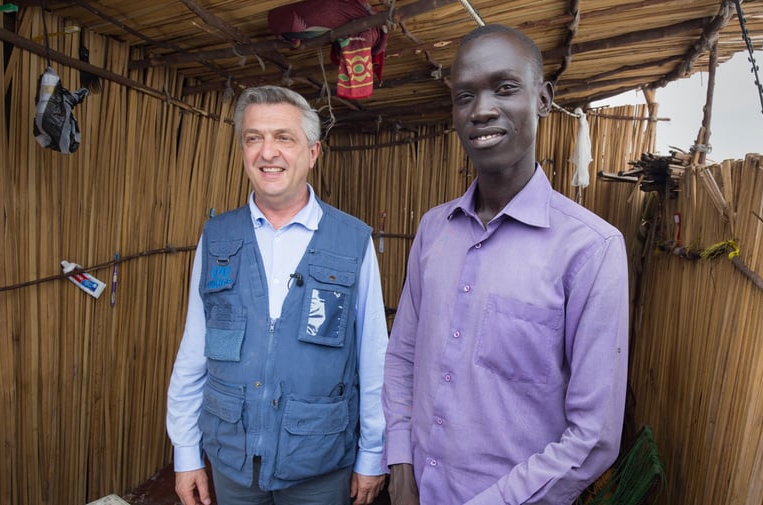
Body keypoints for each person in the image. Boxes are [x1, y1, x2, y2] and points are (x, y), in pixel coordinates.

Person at [382, 24, 629, 505]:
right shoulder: (433, 230)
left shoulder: (590, 249)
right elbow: (403, 357)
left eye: (505, 87)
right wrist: (401, 466)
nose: (482, 110)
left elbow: (593, 437)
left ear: (543, 99)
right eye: (464, 96)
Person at [166, 85, 388, 505]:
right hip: (232, 458)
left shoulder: (352, 241)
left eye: (283, 137)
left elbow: (374, 358)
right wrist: (186, 452)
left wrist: (373, 454)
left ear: (313, 152)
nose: (267, 152)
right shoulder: (217, 237)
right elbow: (194, 350)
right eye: (254, 138)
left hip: (320, 460)